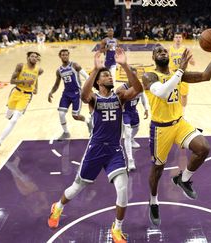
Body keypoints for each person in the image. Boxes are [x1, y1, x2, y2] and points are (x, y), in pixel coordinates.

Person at [48, 48, 143, 243]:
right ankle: (58, 206)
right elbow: (84, 95)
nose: (109, 77)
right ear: (99, 82)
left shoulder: (120, 96)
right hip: (95, 149)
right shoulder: (94, 99)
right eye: (105, 75)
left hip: (114, 150)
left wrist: (124, 65)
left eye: (109, 74)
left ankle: (117, 228)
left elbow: (139, 89)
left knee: (123, 188)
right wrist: (95, 69)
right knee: (77, 187)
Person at [142, 36, 211, 226]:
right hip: (160, 129)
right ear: (153, 58)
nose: (162, 53)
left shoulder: (178, 73)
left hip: (179, 123)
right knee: (158, 169)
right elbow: (162, 92)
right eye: (158, 52)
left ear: (169, 55)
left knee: (203, 148)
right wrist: (180, 70)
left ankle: (183, 179)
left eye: (164, 51)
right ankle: (153, 201)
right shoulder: (149, 76)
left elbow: (206, 76)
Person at [0, 52, 43, 153]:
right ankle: (11, 116)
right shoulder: (20, 66)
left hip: (26, 95)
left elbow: (36, 78)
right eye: (32, 56)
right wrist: (24, 82)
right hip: (16, 92)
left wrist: (36, 88)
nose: (34, 58)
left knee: (14, 120)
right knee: (8, 115)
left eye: (36, 57)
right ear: (28, 58)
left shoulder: (39, 70)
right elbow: (12, 81)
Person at [48, 49, 91, 140]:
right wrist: (51, 92)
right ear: (60, 56)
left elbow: (87, 77)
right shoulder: (59, 70)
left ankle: (88, 121)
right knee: (61, 113)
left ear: (69, 55)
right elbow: (56, 84)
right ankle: (66, 133)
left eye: (66, 55)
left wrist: (87, 90)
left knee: (75, 116)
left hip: (77, 93)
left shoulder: (75, 65)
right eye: (63, 55)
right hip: (66, 94)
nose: (65, 56)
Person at [116, 68, 150, 171]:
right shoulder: (121, 89)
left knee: (136, 128)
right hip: (124, 112)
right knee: (127, 133)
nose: (133, 78)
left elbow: (143, 96)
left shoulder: (139, 87)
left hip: (133, 111)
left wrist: (146, 108)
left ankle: (131, 139)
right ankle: (130, 160)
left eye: (135, 76)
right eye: (132, 76)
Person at [169, 32, 195, 111]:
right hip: (173, 74)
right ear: (173, 39)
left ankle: (183, 114)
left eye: (179, 37)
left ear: (182, 39)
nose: (178, 39)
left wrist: (190, 58)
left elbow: (193, 63)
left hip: (183, 74)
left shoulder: (186, 50)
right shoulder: (168, 49)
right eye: (176, 37)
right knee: (171, 95)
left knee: (184, 95)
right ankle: (173, 112)